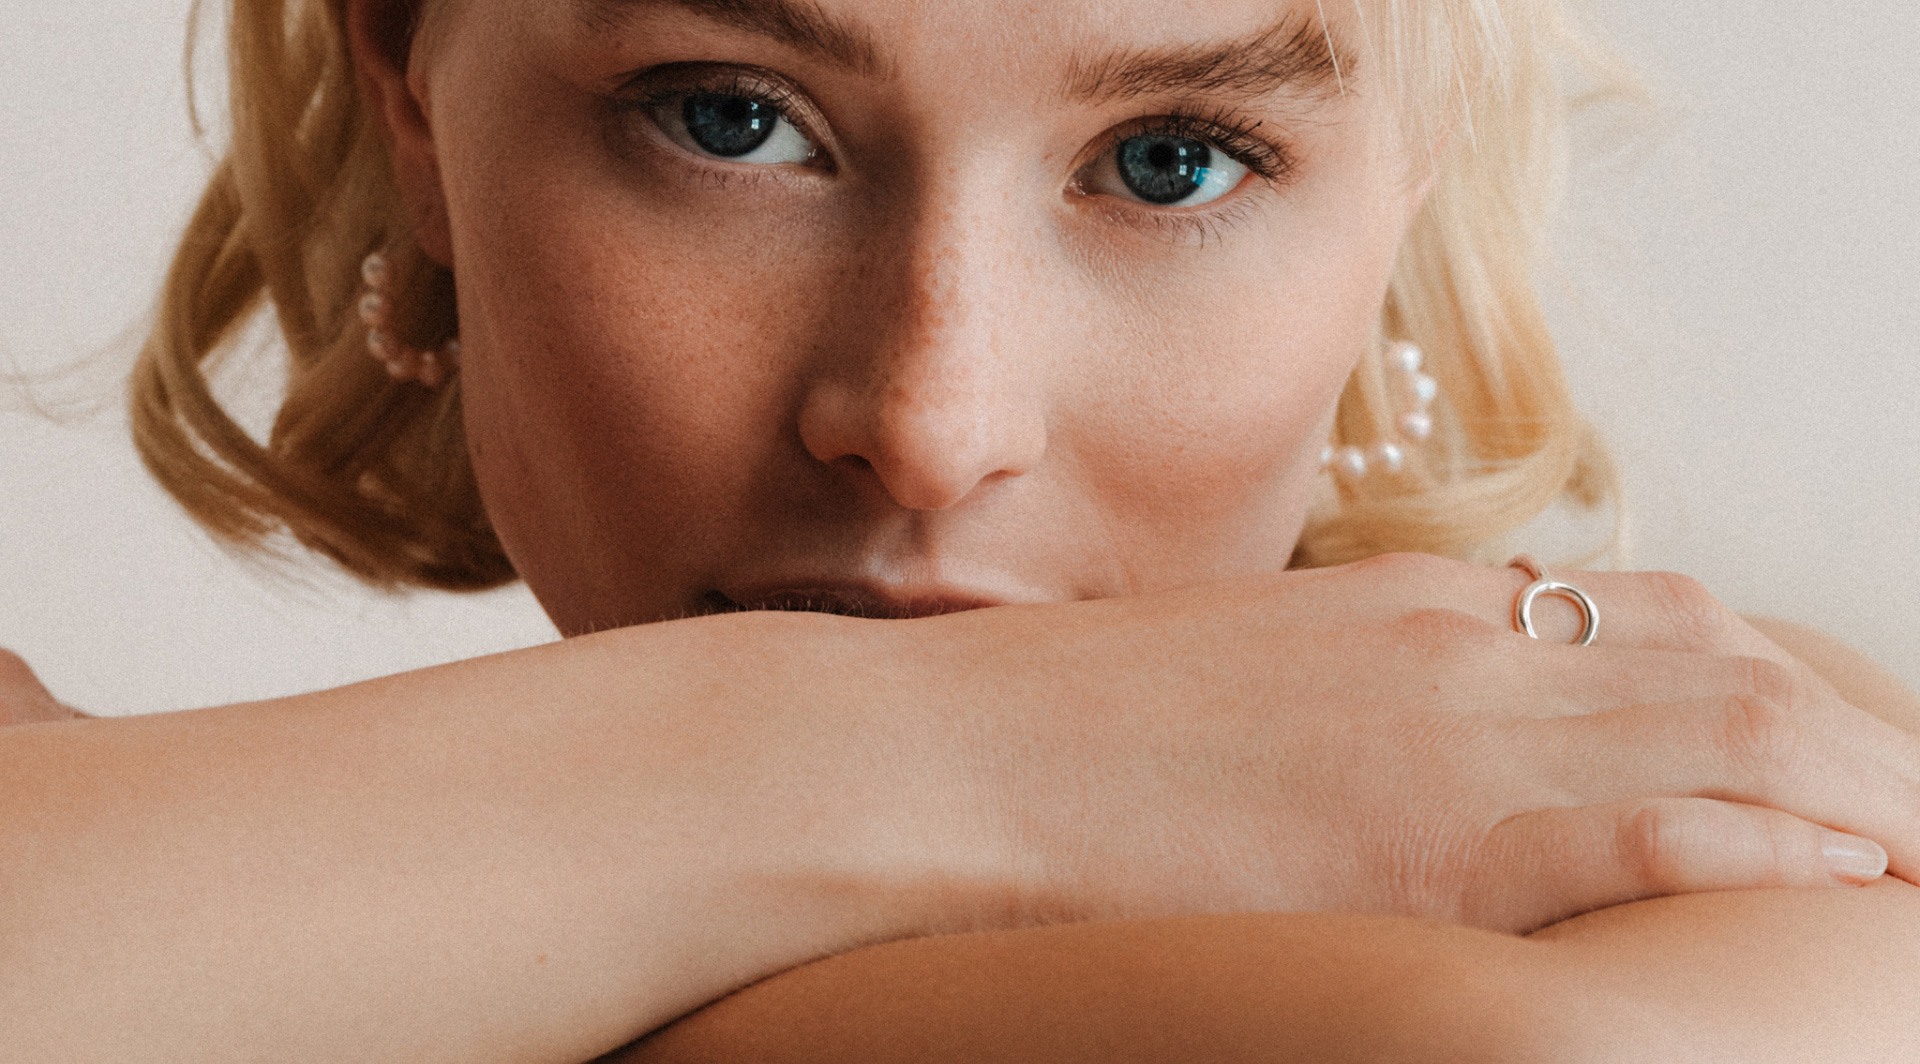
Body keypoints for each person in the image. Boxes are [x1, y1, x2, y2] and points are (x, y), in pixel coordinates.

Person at [4, 0, 1917, 1060]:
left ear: (1405, 190)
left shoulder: (1704, 780)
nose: (931, 423)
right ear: (410, 91)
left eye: (1170, 160)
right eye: (730, 120)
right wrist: (1002, 755)